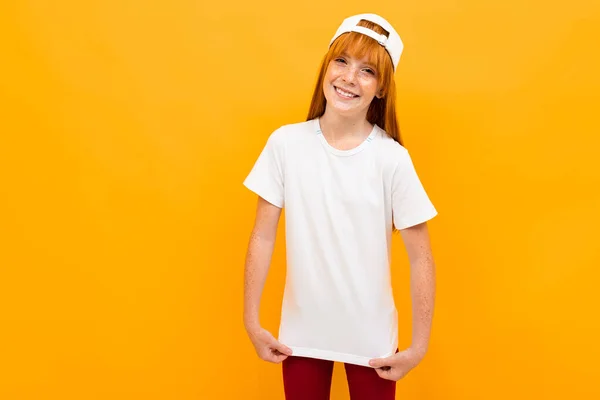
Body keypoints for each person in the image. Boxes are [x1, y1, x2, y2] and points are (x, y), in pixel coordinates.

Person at [243, 13, 438, 400]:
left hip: (372, 344)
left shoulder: (391, 159)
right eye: (342, 61)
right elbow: (262, 236)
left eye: (368, 70)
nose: (349, 77)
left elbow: (421, 258)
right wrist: (252, 321)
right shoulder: (286, 144)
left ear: (382, 89)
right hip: (301, 337)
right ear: (326, 67)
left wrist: (418, 347)